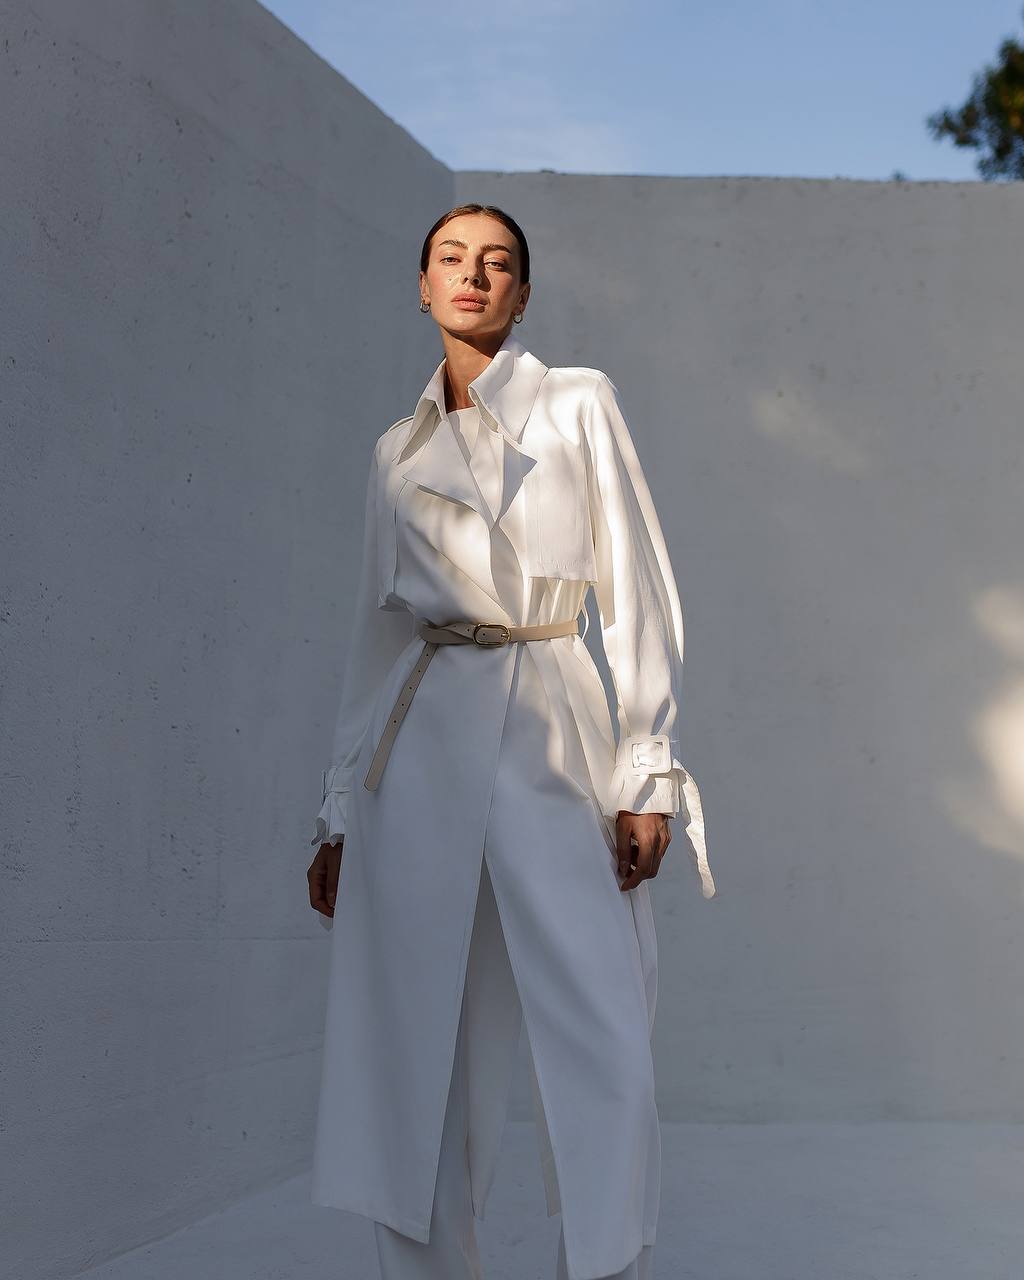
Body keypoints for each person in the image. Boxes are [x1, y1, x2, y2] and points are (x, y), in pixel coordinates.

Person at [305, 202, 715, 1280]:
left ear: (522, 293)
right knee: (416, 1046)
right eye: (452, 259)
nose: (473, 276)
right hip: (421, 740)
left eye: (497, 263)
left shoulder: (576, 403)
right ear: (425, 286)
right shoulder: (396, 451)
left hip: (555, 723)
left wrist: (648, 767)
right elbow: (371, 632)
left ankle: (610, 1265)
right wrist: (339, 804)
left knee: (601, 1031)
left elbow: (634, 589)